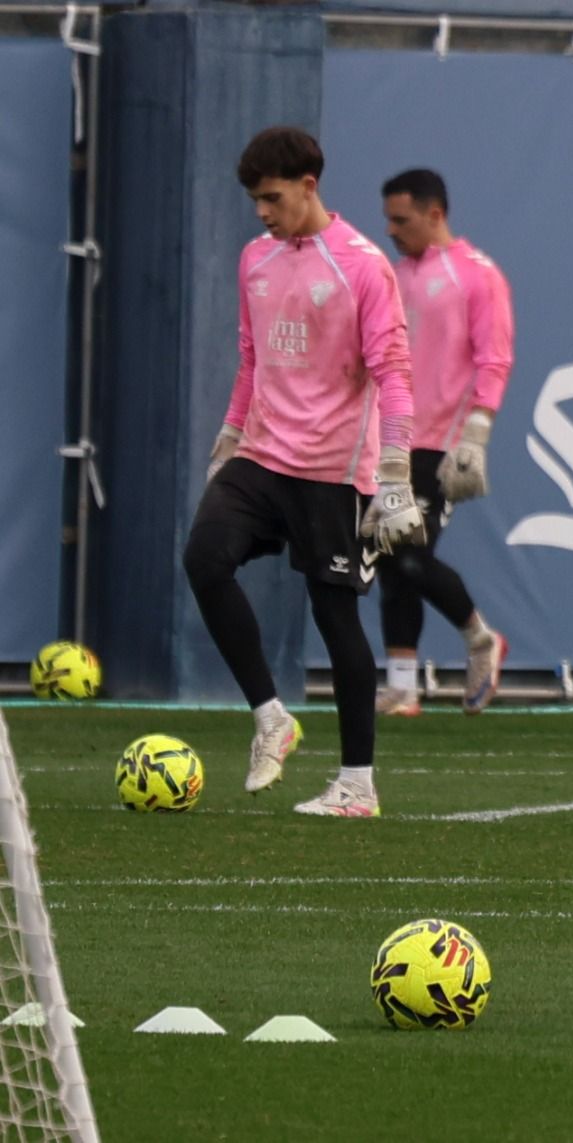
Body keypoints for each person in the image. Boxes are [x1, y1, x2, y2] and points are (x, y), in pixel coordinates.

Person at [185, 126, 425, 819]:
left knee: (335, 616)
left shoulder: (362, 265)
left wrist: (395, 470)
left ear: (309, 186)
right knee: (204, 556)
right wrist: (229, 437)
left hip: (332, 470)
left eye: (273, 197)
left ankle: (357, 784)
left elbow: (394, 372)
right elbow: (251, 359)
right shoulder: (255, 260)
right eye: (256, 200)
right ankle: (271, 717)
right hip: (263, 456)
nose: (262, 211)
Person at [373, 168, 513, 717]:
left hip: (442, 444)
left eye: (401, 220)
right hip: (392, 441)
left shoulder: (477, 276)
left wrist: (475, 437)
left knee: (409, 557)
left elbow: (494, 359)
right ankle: (403, 687)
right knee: (388, 556)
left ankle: (482, 640)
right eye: (387, 219)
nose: (391, 230)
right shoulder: (393, 275)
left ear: (435, 215)